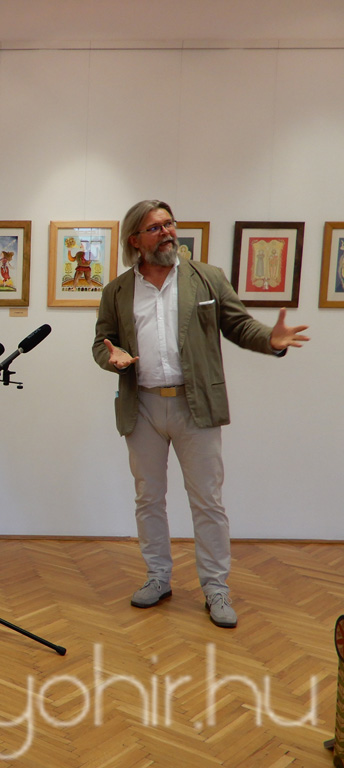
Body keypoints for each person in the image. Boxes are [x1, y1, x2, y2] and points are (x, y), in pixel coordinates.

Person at [92, 199, 310, 629]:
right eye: (155, 228)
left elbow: (240, 325)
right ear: (135, 240)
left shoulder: (207, 277)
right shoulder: (116, 290)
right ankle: (158, 577)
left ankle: (215, 587)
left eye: (169, 224)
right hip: (142, 405)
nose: (167, 233)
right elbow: (103, 341)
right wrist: (111, 357)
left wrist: (271, 340)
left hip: (197, 405)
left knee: (207, 500)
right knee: (148, 498)